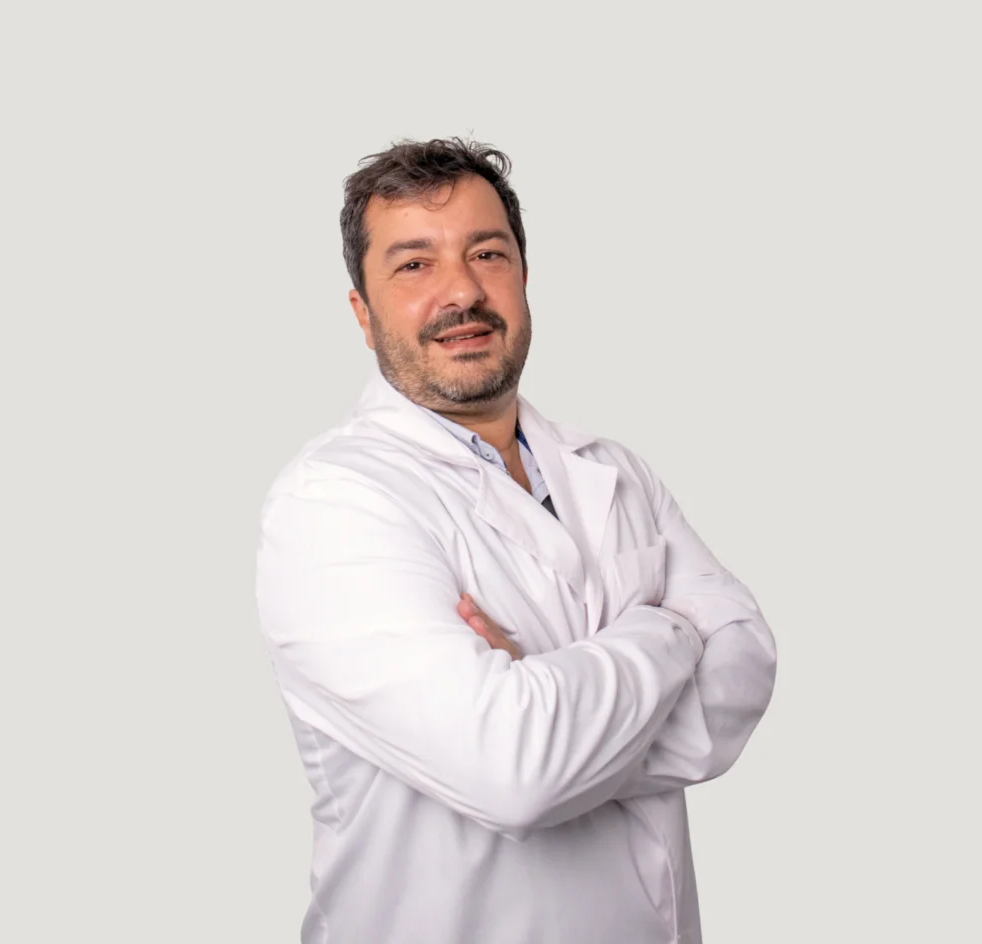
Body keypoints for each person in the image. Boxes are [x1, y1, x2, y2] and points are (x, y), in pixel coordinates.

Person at [255, 138, 777, 944]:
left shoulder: (615, 471)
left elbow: (745, 672)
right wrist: (670, 631)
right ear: (363, 314)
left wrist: (560, 713)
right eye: (414, 265)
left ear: (524, 276)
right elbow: (517, 773)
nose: (463, 290)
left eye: (487, 253)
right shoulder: (332, 504)